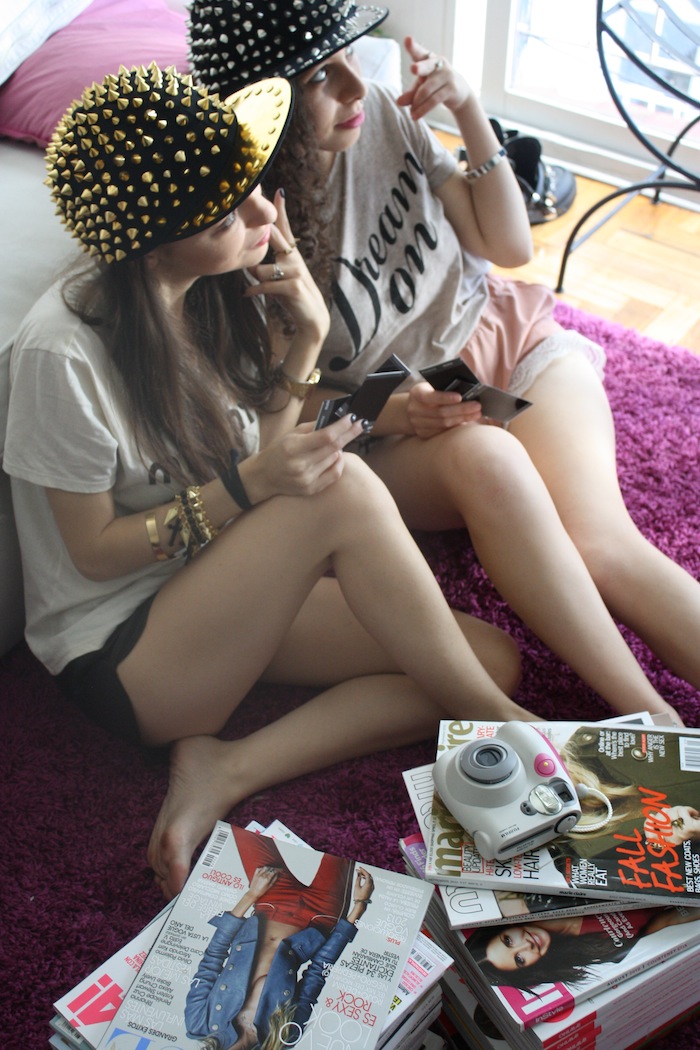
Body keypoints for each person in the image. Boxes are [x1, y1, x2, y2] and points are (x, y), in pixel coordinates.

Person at [3, 62, 549, 903]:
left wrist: (308, 338)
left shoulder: (215, 288)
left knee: (483, 657)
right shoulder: (59, 354)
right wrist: (250, 486)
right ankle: (513, 735)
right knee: (343, 492)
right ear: (157, 240)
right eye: (232, 211)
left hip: (215, 585)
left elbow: (259, 446)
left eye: (253, 189)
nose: (266, 213)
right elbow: (97, 554)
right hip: (126, 654)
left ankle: (226, 767)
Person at [186, 0, 700, 722]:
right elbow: (279, 417)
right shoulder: (246, 231)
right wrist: (393, 407)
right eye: (321, 77)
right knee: (489, 459)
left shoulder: (376, 115)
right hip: (398, 413)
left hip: (502, 332)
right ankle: (651, 722)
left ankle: (658, 723)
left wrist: (467, 109)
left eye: (349, 56)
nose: (356, 85)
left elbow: (509, 247)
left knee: (600, 541)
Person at [185, 826, 372, 1050]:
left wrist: (251, 894)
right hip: (319, 916)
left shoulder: (199, 1023)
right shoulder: (284, 1038)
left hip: (268, 899)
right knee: (345, 835)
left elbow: (213, 957)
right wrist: (359, 907)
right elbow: (317, 974)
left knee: (245, 828)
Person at [465, 907, 700, 989]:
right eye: (519, 959)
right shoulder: (603, 953)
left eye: (508, 940)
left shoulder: (537, 900)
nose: (526, 944)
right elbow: (669, 920)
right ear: (530, 968)